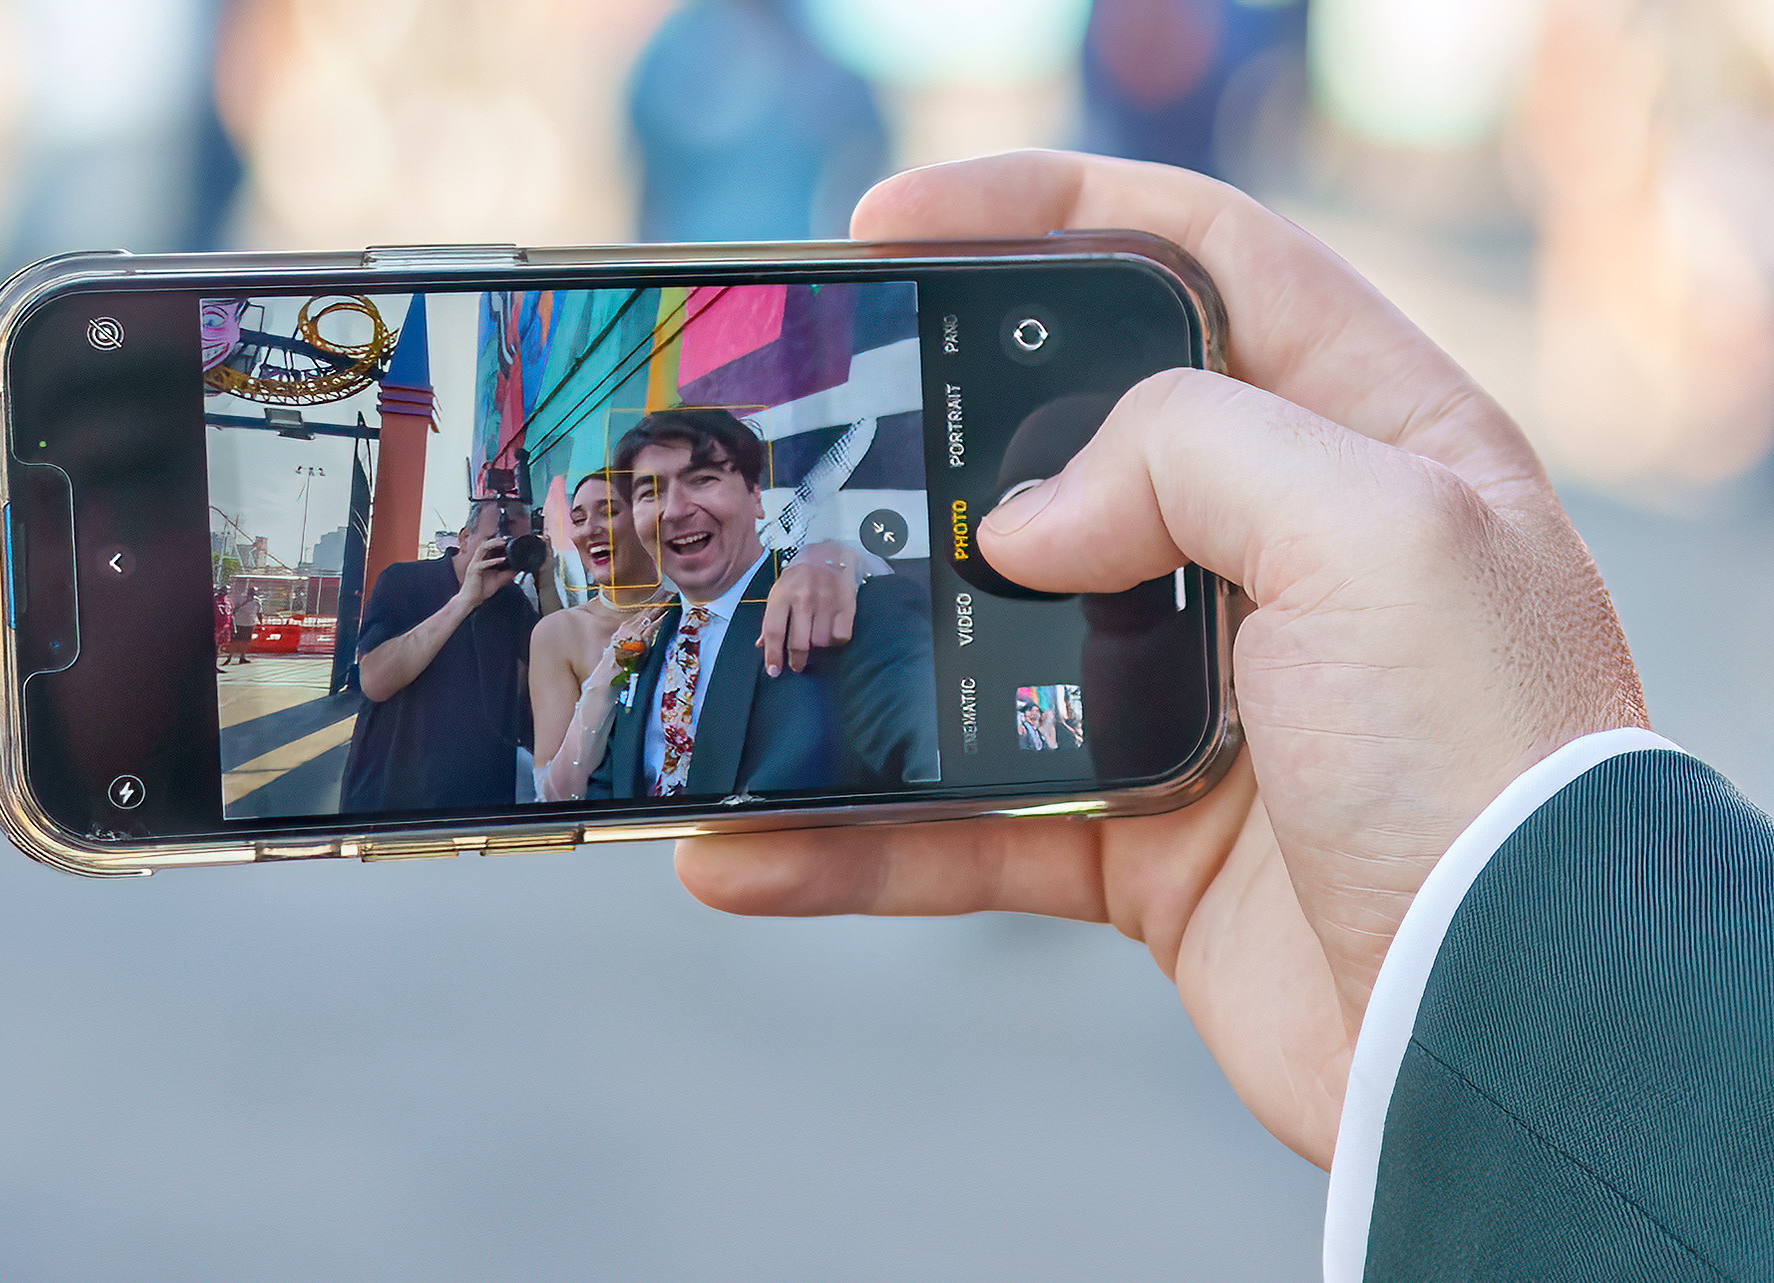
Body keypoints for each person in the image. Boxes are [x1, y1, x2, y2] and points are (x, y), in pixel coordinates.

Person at [671, 151, 1774, 1277]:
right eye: (640, 497)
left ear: (755, 496)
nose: (667, 515)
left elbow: (897, 673)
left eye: (693, 480)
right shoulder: (593, 645)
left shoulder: (835, 591)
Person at [591, 407, 937, 799]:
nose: (675, 510)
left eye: (702, 479)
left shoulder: (859, 613)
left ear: (756, 495)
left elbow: (933, 776)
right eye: (649, 493)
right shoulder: (646, 646)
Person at [529, 468, 878, 802]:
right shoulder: (558, 632)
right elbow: (553, 792)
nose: (590, 530)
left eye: (609, 512)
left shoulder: (703, 615)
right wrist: (609, 675)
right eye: (577, 519)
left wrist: (832, 557)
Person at [338, 499, 536, 813]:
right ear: (463, 538)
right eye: (492, 543)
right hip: (392, 795)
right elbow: (375, 681)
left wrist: (546, 579)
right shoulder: (403, 581)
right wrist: (464, 601)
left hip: (483, 801)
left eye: (515, 546)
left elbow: (554, 671)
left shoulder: (511, 600)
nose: (504, 553)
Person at [226, 584, 261, 664]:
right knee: (235, 640)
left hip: (249, 623)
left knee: (245, 641)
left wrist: (260, 622)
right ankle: (230, 656)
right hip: (239, 623)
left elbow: (259, 612)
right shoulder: (241, 599)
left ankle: (242, 657)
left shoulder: (257, 601)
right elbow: (234, 609)